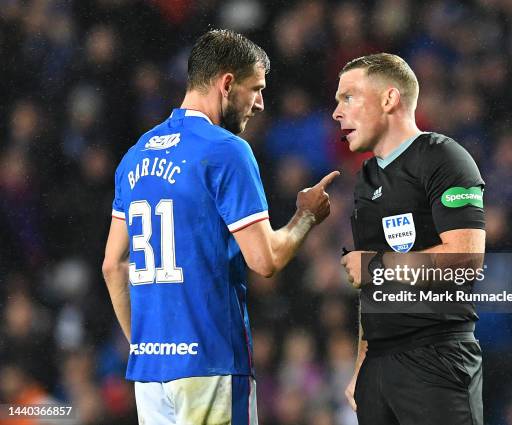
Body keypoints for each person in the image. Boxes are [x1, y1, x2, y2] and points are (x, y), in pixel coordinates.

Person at [102, 29, 339, 425]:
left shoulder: (135, 155)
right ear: (227, 83)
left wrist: (145, 348)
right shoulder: (226, 150)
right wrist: (306, 216)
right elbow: (265, 260)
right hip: (211, 362)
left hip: (151, 376)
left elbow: (113, 265)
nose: (261, 103)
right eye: (256, 89)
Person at [335, 53, 485, 425]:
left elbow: (466, 261)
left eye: (348, 97)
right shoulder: (366, 178)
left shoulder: (445, 158)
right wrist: (361, 363)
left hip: (436, 357)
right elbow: (374, 290)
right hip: (379, 366)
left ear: (389, 99)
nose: (337, 112)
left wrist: (375, 264)